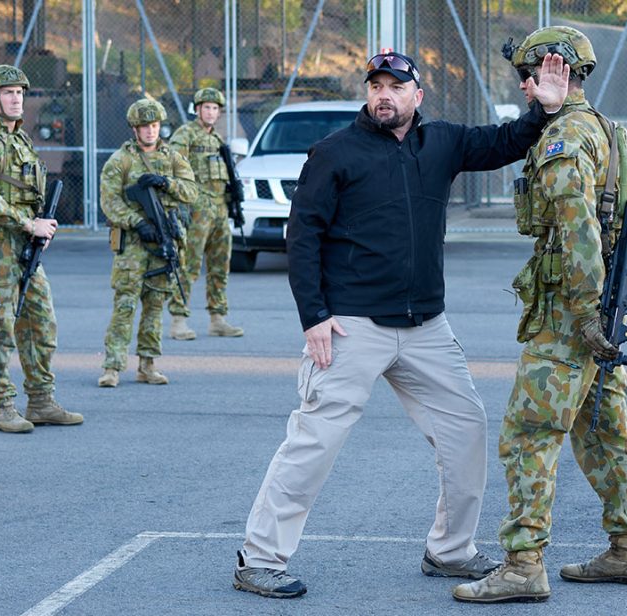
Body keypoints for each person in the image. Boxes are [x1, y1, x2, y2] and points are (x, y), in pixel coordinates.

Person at [232, 49, 569, 599]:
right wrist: (314, 316)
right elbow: (304, 236)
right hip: (349, 326)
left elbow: (506, 141)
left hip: (425, 328)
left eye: (396, 86)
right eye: (375, 85)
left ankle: (450, 550)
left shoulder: (443, 143)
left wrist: (543, 112)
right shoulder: (335, 152)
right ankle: (259, 558)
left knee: (467, 428)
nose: (383, 94)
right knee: (313, 440)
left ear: (417, 95)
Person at [453, 26, 627, 604]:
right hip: (597, 308)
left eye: (528, 71)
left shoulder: (567, 138)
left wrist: (587, 312)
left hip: (572, 311)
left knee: (528, 433)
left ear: (556, 68)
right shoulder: (604, 129)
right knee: (604, 430)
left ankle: (522, 563)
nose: (521, 83)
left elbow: (580, 229)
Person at [0, 64, 83, 433]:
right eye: (8, 93)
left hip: (26, 250)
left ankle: (41, 400)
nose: (16, 99)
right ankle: (1, 407)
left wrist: (39, 226)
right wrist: (29, 223)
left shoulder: (20, 140)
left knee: (41, 325)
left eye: (20, 93)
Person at [97, 99, 198, 387]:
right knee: (125, 304)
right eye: (145, 127)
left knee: (155, 305)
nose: (151, 131)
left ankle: (148, 364)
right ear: (134, 129)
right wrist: (136, 221)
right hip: (132, 244)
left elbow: (191, 192)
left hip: (164, 240)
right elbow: (110, 201)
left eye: (154, 126)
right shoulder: (121, 160)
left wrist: (167, 183)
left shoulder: (174, 158)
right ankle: (112, 367)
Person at [166, 87, 243, 340]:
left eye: (215, 108)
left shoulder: (218, 140)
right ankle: (178, 320)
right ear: (197, 110)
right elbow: (172, 168)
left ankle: (218, 318)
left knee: (220, 265)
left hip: (220, 208)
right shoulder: (186, 134)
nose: (211, 112)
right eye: (206, 107)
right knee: (189, 264)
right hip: (197, 209)